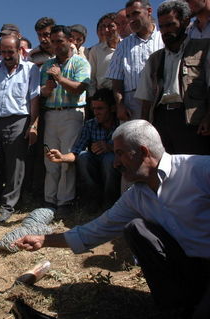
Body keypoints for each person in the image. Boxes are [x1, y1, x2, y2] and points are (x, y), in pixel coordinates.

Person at [15, 119, 210, 318]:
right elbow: (98, 229)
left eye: (119, 154)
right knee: (136, 229)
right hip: (188, 270)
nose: (115, 163)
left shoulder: (199, 170)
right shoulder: (136, 196)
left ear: (143, 152)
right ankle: (176, 304)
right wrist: (44, 240)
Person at [0, 35, 40, 223]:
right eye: (2, 52)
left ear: (20, 50)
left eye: (9, 52)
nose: (6, 56)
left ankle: (7, 206)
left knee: (15, 166)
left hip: (19, 121)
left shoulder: (30, 70)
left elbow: (34, 99)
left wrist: (33, 124)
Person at [135, 0, 210, 155]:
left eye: (170, 25)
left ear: (185, 21)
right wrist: (144, 130)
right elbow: (146, 98)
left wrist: (208, 117)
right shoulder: (155, 59)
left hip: (190, 119)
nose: (165, 31)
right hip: (161, 119)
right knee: (166, 171)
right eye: (162, 26)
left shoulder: (202, 49)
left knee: (192, 171)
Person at [40, 25, 90, 213]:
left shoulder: (80, 63)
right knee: (50, 158)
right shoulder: (47, 65)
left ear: (70, 41)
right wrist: (48, 88)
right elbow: (41, 92)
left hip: (72, 113)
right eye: (53, 42)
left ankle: (65, 202)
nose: (55, 45)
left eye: (59, 41)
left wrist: (60, 79)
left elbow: (80, 88)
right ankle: (49, 200)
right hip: (52, 113)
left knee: (67, 158)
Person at [46, 88, 120, 213]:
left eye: (100, 108)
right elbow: (76, 152)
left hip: (115, 168)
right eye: (94, 108)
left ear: (112, 108)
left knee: (109, 159)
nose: (96, 112)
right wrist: (62, 158)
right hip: (95, 166)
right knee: (83, 157)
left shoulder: (121, 124)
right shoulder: (90, 124)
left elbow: (130, 152)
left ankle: (110, 202)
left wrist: (110, 148)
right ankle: (93, 200)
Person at [106, 0, 163, 121]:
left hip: (160, 99)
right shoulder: (123, 45)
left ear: (149, 11)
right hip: (132, 103)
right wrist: (120, 105)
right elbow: (117, 80)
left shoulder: (163, 38)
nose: (131, 19)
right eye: (128, 16)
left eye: (135, 13)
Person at [88, 12, 120, 97]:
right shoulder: (95, 50)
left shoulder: (127, 46)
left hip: (126, 95)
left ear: (118, 26)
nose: (106, 30)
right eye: (103, 26)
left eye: (110, 26)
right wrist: (93, 97)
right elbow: (91, 78)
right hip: (103, 97)